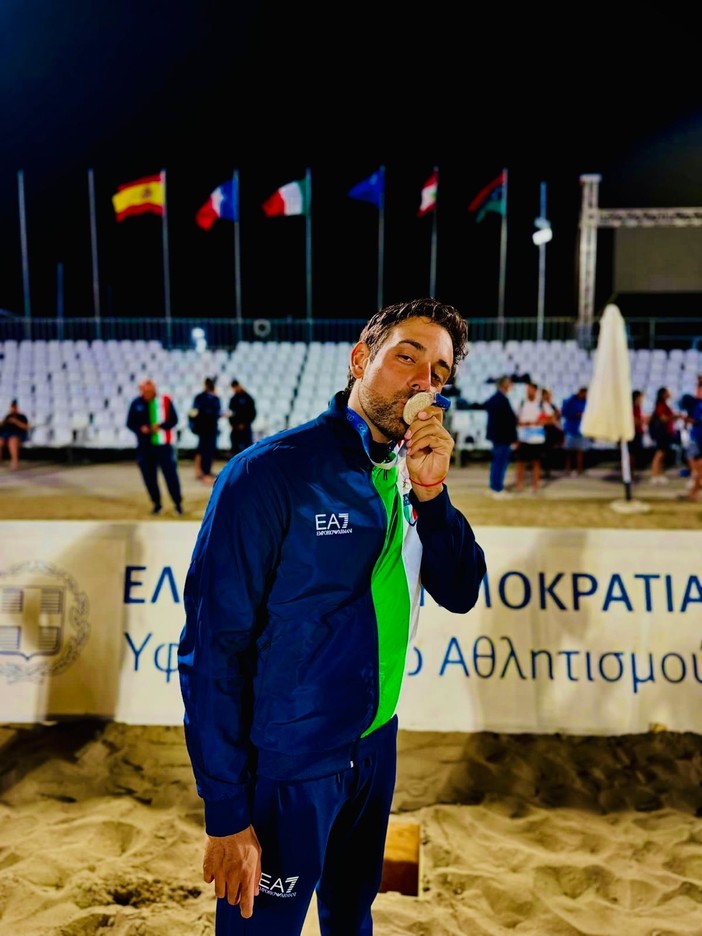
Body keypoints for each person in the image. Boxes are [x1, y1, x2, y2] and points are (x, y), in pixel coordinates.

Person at [178, 298, 487, 935]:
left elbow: (461, 589)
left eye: (438, 372)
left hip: (375, 747)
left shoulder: (409, 473)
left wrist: (433, 493)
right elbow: (212, 650)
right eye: (407, 357)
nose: (423, 381)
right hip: (290, 761)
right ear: (359, 360)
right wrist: (227, 812)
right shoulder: (267, 475)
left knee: (351, 916)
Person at [126, 378, 184, 515]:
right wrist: (141, 429)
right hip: (145, 447)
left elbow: (174, 420)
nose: (146, 394)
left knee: (170, 476)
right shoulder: (136, 403)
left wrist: (161, 426)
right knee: (149, 477)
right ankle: (156, 504)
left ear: (154, 390)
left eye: (149, 391)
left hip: (163, 446)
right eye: (144, 391)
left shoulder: (164, 401)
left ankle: (178, 504)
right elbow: (130, 423)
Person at [482, 375, 518, 499]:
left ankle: (494, 486)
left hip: (498, 436)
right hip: (502, 437)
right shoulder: (501, 399)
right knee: (500, 463)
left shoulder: (495, 399)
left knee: (497, 462)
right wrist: (513, 437)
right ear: (504, 385)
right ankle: (497, 488)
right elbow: (508, 421)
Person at [515, 381, 547, 494]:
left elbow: (551, 417)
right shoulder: (522, 403)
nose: (528, 392)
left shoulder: (541, 404)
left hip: (537, 438)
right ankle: (519, 485)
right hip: (524, 437)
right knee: (520, 462)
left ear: (535, 390)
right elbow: (517, 419)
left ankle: (535, 486)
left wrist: (540, 422)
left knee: (536, 462)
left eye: (530, 390)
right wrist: (523, 424)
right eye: (527, 390)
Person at [190, 376, 221, 485]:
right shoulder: (206, 398)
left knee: (207, 450)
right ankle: (201, 472)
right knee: (203, 450)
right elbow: (194, 412)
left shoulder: (210, 398)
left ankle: (205, 471)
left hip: (209, 428)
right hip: (205, 428)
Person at [649, 386, 682, 485]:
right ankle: (655, 475)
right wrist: (674, 417)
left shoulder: (664, 405)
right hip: (662, 432)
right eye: (668, 392)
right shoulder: (661, 405)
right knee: (659, 454)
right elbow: (663, 418)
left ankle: (658, 474)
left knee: (662, 454)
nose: (670, 394)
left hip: (666, 432)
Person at [561, 387, 590, 476]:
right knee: (568, 451)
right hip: (570, 429)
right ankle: (567, 469)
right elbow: (564, 412)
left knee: (580, 451)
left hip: (581, 429)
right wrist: (575, 414)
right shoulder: (570, 401)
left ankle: (579, 469)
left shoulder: (586, 402)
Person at [227, 379, 257, 455]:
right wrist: (233, 424)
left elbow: (252, 413)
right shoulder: (233, 399)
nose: (235, 389)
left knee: (247, 450)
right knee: (235, 450)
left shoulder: (248, 398)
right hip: (235, 429)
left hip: (246, 428)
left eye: (236, 387)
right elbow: (230, 414)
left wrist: (245, 424)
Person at [0, 399, 30, 470]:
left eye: (14, 407)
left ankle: (15, 462)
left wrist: (16, 422)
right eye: (12, 407)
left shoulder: (22, 417)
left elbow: (26, 427)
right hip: (6, 434)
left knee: (12, 441)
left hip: (18, 434)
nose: (13, 409)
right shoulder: (8, 416)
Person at [629, 389, 647, 478]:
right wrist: (643, 420)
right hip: (633, 433)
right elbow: (633, 421)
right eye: (641, 397)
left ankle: (631, 473)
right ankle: (629, 474)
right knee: (631, 454)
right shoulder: (632, 408)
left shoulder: (638, 408)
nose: (642, 399)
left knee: (634, 454)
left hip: (638, 432)